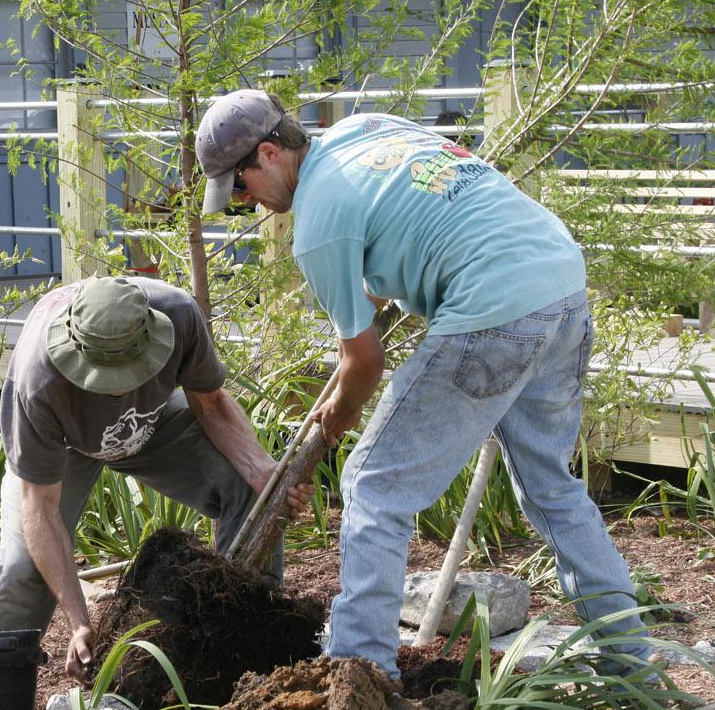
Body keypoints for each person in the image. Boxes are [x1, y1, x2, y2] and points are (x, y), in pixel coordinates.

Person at [195, 89, 656, 679]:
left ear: (267, 154)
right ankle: (630, 662)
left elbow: (363, 364)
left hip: (493, 310)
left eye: (239, 188)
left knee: (374, 485)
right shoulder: (366, 129)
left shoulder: (317, 224)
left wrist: (331, 425)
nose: (247, 205)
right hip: (560, 282)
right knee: (551, 488)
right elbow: (421, 212)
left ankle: (360, 677)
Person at [0, 275, 308, 679]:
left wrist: (262, 470)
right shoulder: (37, 380)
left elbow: (210, 406)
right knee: (22, 569)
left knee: (250, 489)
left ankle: (242, 650)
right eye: (104, 381)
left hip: (151, 421)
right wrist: (78, 620)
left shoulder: (178, 315)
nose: (116, 393)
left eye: (129, 374)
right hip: (67, 446)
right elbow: (41, 507)